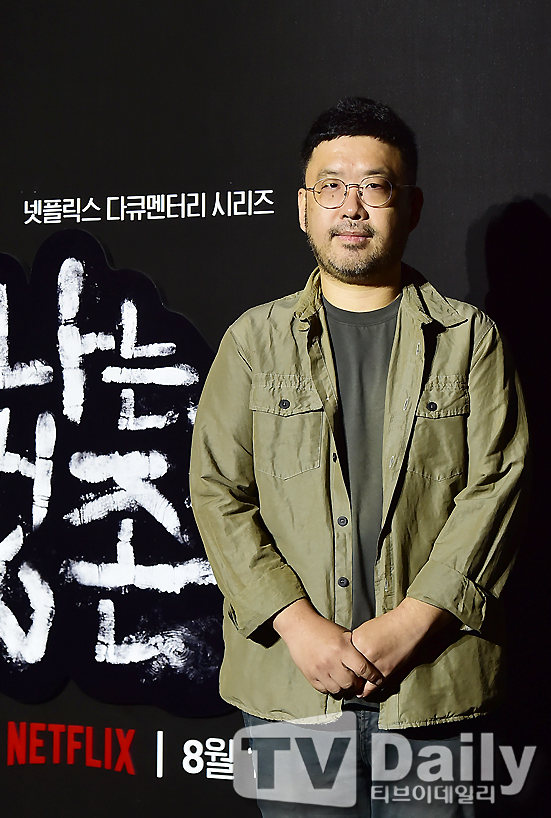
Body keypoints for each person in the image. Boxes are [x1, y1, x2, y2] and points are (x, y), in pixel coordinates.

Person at [189, 98, 528, 816]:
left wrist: (411, 625)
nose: (352, 206)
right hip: (290, 694)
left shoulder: (471, 340)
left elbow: (499, 486)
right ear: (303, 208)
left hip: (436, 688)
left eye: (375, 186)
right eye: (332, 186)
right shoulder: (253, 341)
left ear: (412, 205)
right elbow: (217, 491)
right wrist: (295, 623)